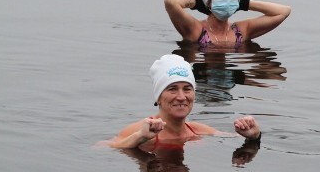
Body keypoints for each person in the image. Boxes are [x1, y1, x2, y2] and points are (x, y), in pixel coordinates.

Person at [105, 54, 262, 151]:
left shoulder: (197, 130)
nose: (181, 97)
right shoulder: (139, 129)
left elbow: (234, 138)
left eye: (187, 89)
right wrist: (139, 138)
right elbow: (102, 148)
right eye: (172, 89)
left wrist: (254, 136)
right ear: (158, 97)